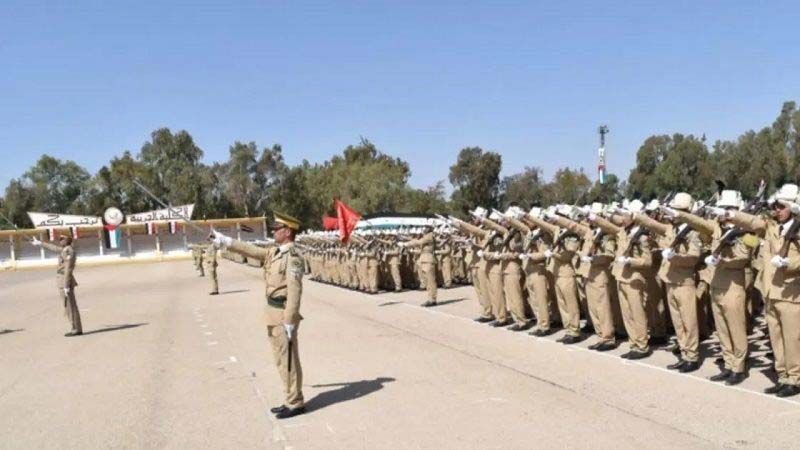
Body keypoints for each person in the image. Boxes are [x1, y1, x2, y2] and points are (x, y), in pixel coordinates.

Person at [211, 212, 307, 418]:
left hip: (283, 314)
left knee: (288, 360)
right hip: (272, 312)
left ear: (288, 232)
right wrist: (226, 241)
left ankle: (295, 402)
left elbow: (295, 291)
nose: (273, 231)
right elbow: (252, 251)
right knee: (281, 360)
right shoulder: (275, 252)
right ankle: (290, 398)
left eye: (277, 228)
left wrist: (290, 320)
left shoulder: (293, 257)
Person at [32, 234, 83, 336]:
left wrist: (66, 285)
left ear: (68, 240)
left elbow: (68, 269)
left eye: (62, 239)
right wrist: (40, 243)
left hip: (64, 279)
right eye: (59, 239)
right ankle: (76, 328)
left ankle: (76, 329)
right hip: (62, 279)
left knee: (70, 306)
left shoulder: (68, 251)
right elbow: (54, 248)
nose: (60, 240)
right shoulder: (65, 249)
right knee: (68, 305)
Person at [399, 225, 438, 307]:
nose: (424, 229)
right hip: (424, 259)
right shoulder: (426, 236)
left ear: (430, 229)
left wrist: (405, 244)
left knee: (430, 281)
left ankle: (433, 299)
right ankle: (430, 298)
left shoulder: (429, 236)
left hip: (428, 259)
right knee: (427, 281)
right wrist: (406, 238)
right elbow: (418, 241)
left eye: (426, 227)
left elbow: (419, 242)